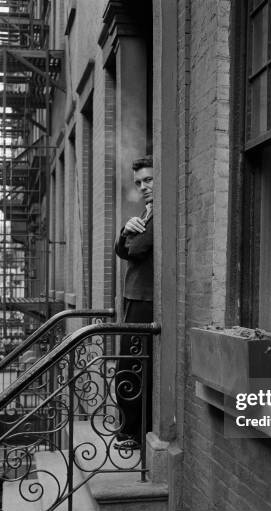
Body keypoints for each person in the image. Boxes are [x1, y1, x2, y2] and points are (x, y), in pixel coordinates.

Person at [113, 156, 154, 450]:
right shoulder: (147, 212)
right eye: (139, 182)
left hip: (145, 302)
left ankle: (133, 433)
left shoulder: (159, 212)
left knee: (132, 369)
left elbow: (137, 250)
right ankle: (129, 429)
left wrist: (130, 237)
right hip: (134, 300)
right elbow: (122, 250)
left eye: (149, 180)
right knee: (128, 368)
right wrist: (125, 230)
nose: (143, 187)